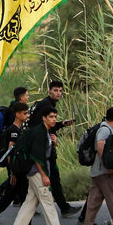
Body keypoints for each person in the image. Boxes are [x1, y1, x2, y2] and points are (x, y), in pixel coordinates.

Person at [8, 107, 70, 225]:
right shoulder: (40, 134)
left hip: (34, 172)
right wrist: (44, 175)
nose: (54, 119)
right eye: (51, 117)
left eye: (55, 116)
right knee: (48, 201)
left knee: (30, 202)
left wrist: (54, 144)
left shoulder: (44, 132)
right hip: (37, 172)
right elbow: (37, 156)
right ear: (44, 118)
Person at [30, 80, 77, 216]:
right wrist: (49, 137)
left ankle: (63, 207)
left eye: (60, 91)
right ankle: (64, 208)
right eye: (55, 90)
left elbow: (48, 125)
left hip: (46, 147)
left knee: (49, 179)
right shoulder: (45, 105)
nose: (59, 93)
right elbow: (37, 126)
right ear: (49, 91)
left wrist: (61, 124)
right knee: (52, 178)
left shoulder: (49, 104)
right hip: (43, 149)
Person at [82, 107, 113, 225]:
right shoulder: (105, 130)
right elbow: (101, 148)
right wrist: (110, 167)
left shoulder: (105, 128)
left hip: (98, 170)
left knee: (94, 199)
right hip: (104, 171)